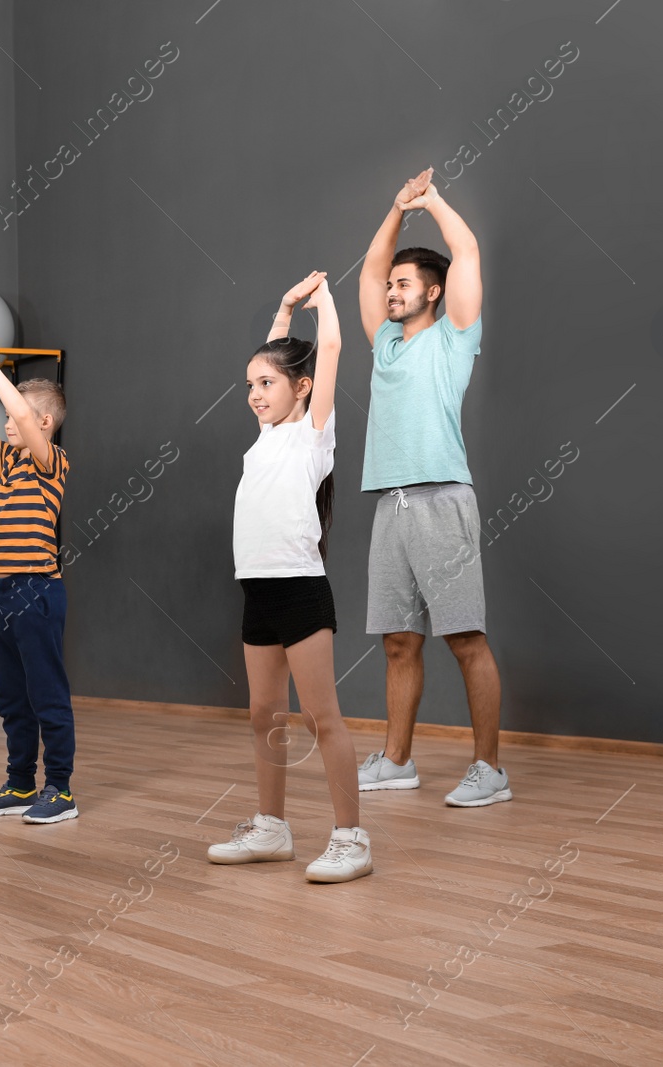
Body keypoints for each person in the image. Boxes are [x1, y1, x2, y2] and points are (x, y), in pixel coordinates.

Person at [208, 271, 372, 883]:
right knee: (263, 716)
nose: (254, 393)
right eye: (249, 384)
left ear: (301, 390)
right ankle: (272, 827)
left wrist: (324, 301)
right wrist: (280, 310)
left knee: (319, 717)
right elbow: (279, 356)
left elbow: (326, 351)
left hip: (300, 588)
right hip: (256, 591)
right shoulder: (264, 439)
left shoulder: (312, 436)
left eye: (267, 384)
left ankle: (351, 837)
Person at [354, 168, 510, 807]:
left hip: (442, 496)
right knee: (398, 640)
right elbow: (366, 271)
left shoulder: (455, 337)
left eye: (403, 284)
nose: (391, 290)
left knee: (465, 638)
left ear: (434, 292)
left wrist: (433, 202)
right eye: (392, 284)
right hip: (390, 503)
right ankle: (397, 762)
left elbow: (468, 251)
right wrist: (395, 209)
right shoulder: (385, 343)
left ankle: (489, 770)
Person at [0, 344, 77, 824]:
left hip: (37, 591)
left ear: (45, 422)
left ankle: (61, 790)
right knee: (10, 695)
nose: (8, 423)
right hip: (0, 594)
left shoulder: (52, 461)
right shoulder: (8, 462)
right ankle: (20, 783)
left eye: (16, 416)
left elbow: (24, 421)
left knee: (46, 691)